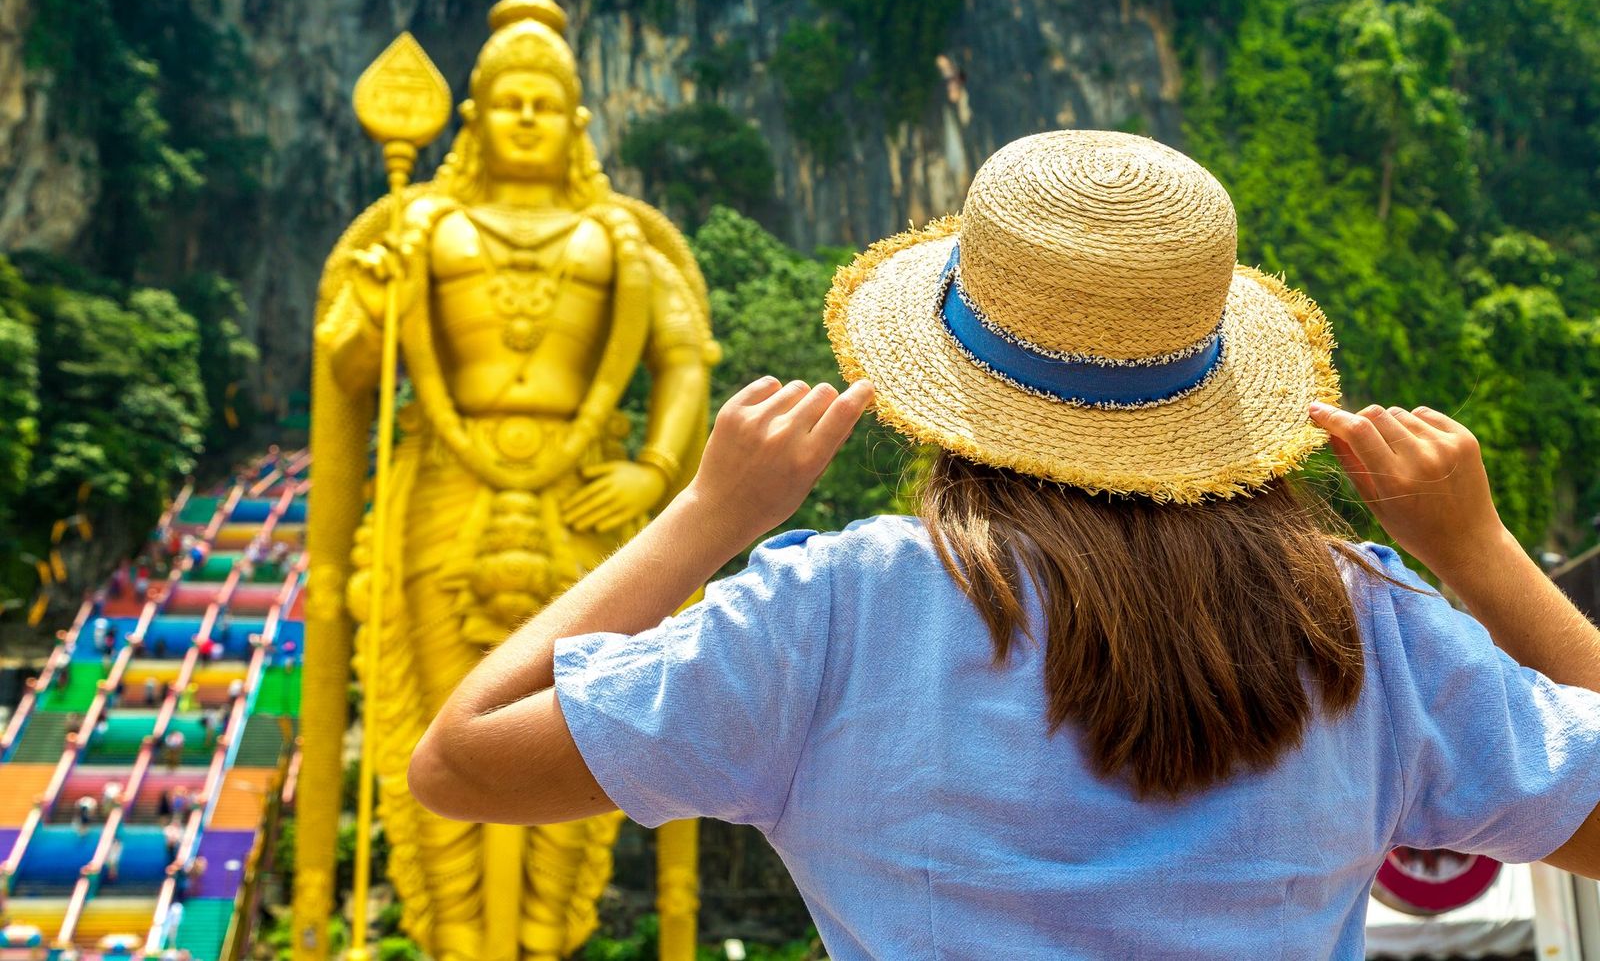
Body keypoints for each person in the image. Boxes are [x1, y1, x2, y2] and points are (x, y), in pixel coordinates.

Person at [409, 131, 1600, 958]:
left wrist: (709, 516)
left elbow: (460, 761)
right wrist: (1481, 554)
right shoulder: (1357, 622)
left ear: (952, 376)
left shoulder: (833, 610)